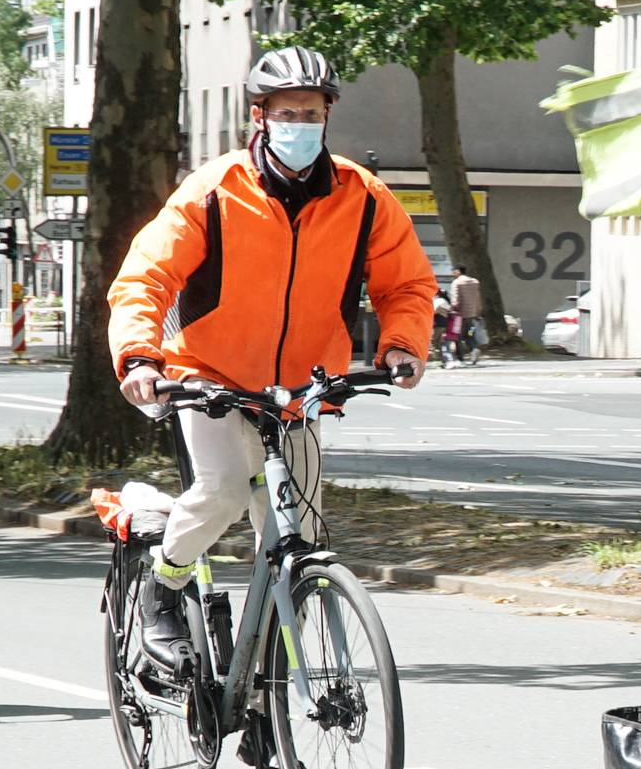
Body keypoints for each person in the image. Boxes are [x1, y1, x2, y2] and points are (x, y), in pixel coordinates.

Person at [110, 47, 436, 674]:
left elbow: (408, 285)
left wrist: (402, 344)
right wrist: (139, 357)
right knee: (227, 490)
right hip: (208, 375)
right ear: (259, 116)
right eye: (287, 111)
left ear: (328, 115)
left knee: (298, 542)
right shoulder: (215, 190)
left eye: (311, 112)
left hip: (300, 388)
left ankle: (271, 689)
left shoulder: (362, 196)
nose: (300, 124)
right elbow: (145, 277)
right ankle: (164, 585)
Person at [446, 264, 483, 364]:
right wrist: (478, 312)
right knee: (470, 333)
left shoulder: (456, 283)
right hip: (471, 315)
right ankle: (474, 348)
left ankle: (460, 357)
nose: (452, 273)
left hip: (459, 316)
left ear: (458, 271)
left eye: (453, 271)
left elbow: (455, 299)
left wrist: (453, 309)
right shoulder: (475, 282)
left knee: (457, 336)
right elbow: (478, 299)